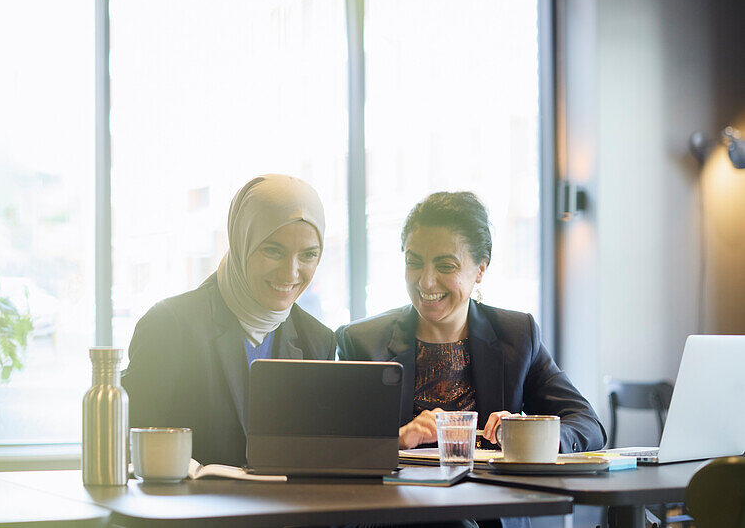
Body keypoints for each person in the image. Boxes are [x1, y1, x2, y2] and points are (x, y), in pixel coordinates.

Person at [337, 191, 605, 455]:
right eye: (414, 262)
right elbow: (333, 444)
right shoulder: (362, 342)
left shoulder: (516, 335)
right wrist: (398, 439)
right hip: (399, 496)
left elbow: (587, 424)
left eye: (446, 266)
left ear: (480, 269)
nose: (426, 281)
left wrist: (526, 431)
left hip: (493, 496)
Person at [122, 174, 336, 467]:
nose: (291, 273)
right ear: (241, 242)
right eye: (273, 250)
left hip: (286, 510)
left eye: (308, 255)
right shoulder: (169, 326)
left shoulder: (318, 341)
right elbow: (128, 446)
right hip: (189, 510)